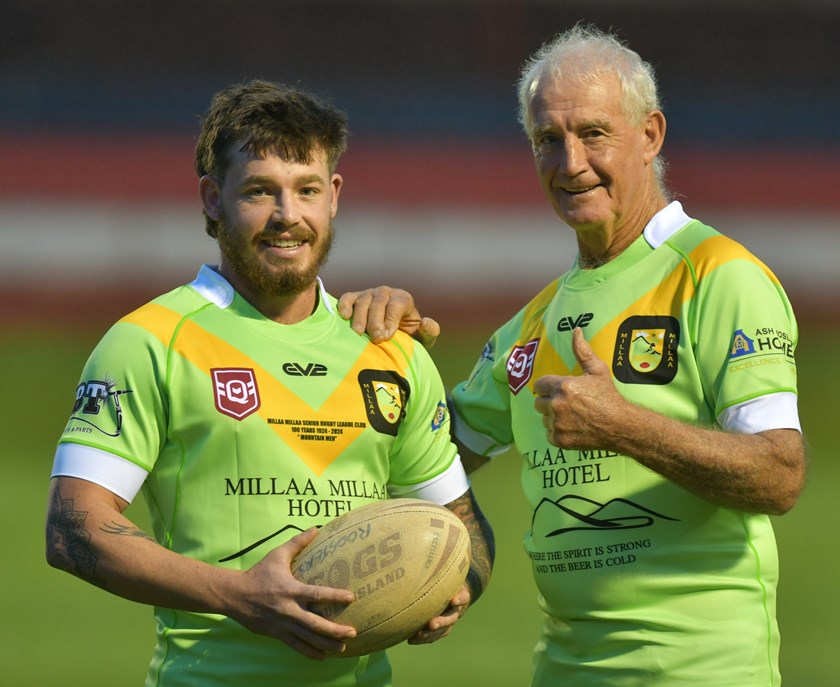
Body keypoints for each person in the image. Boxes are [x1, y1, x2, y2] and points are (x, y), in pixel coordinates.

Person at [339, 24, 807, 687]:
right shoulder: (532, 324)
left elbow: (780, 474)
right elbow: (419, 456)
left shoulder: (718, 274)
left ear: (650, 135)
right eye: (547, 140)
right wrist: (382, 349)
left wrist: (624, 427)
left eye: (593, 133)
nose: (570, 162)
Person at [45, 79, 494, 687]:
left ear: (333, 196)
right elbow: (73, 529)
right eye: (260, 191)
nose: (288, 216)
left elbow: (462, 524)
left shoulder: (390, 350)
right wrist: (239, 595)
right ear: (212, 199)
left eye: (306, 190)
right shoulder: (149, 340)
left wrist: (452, 586)